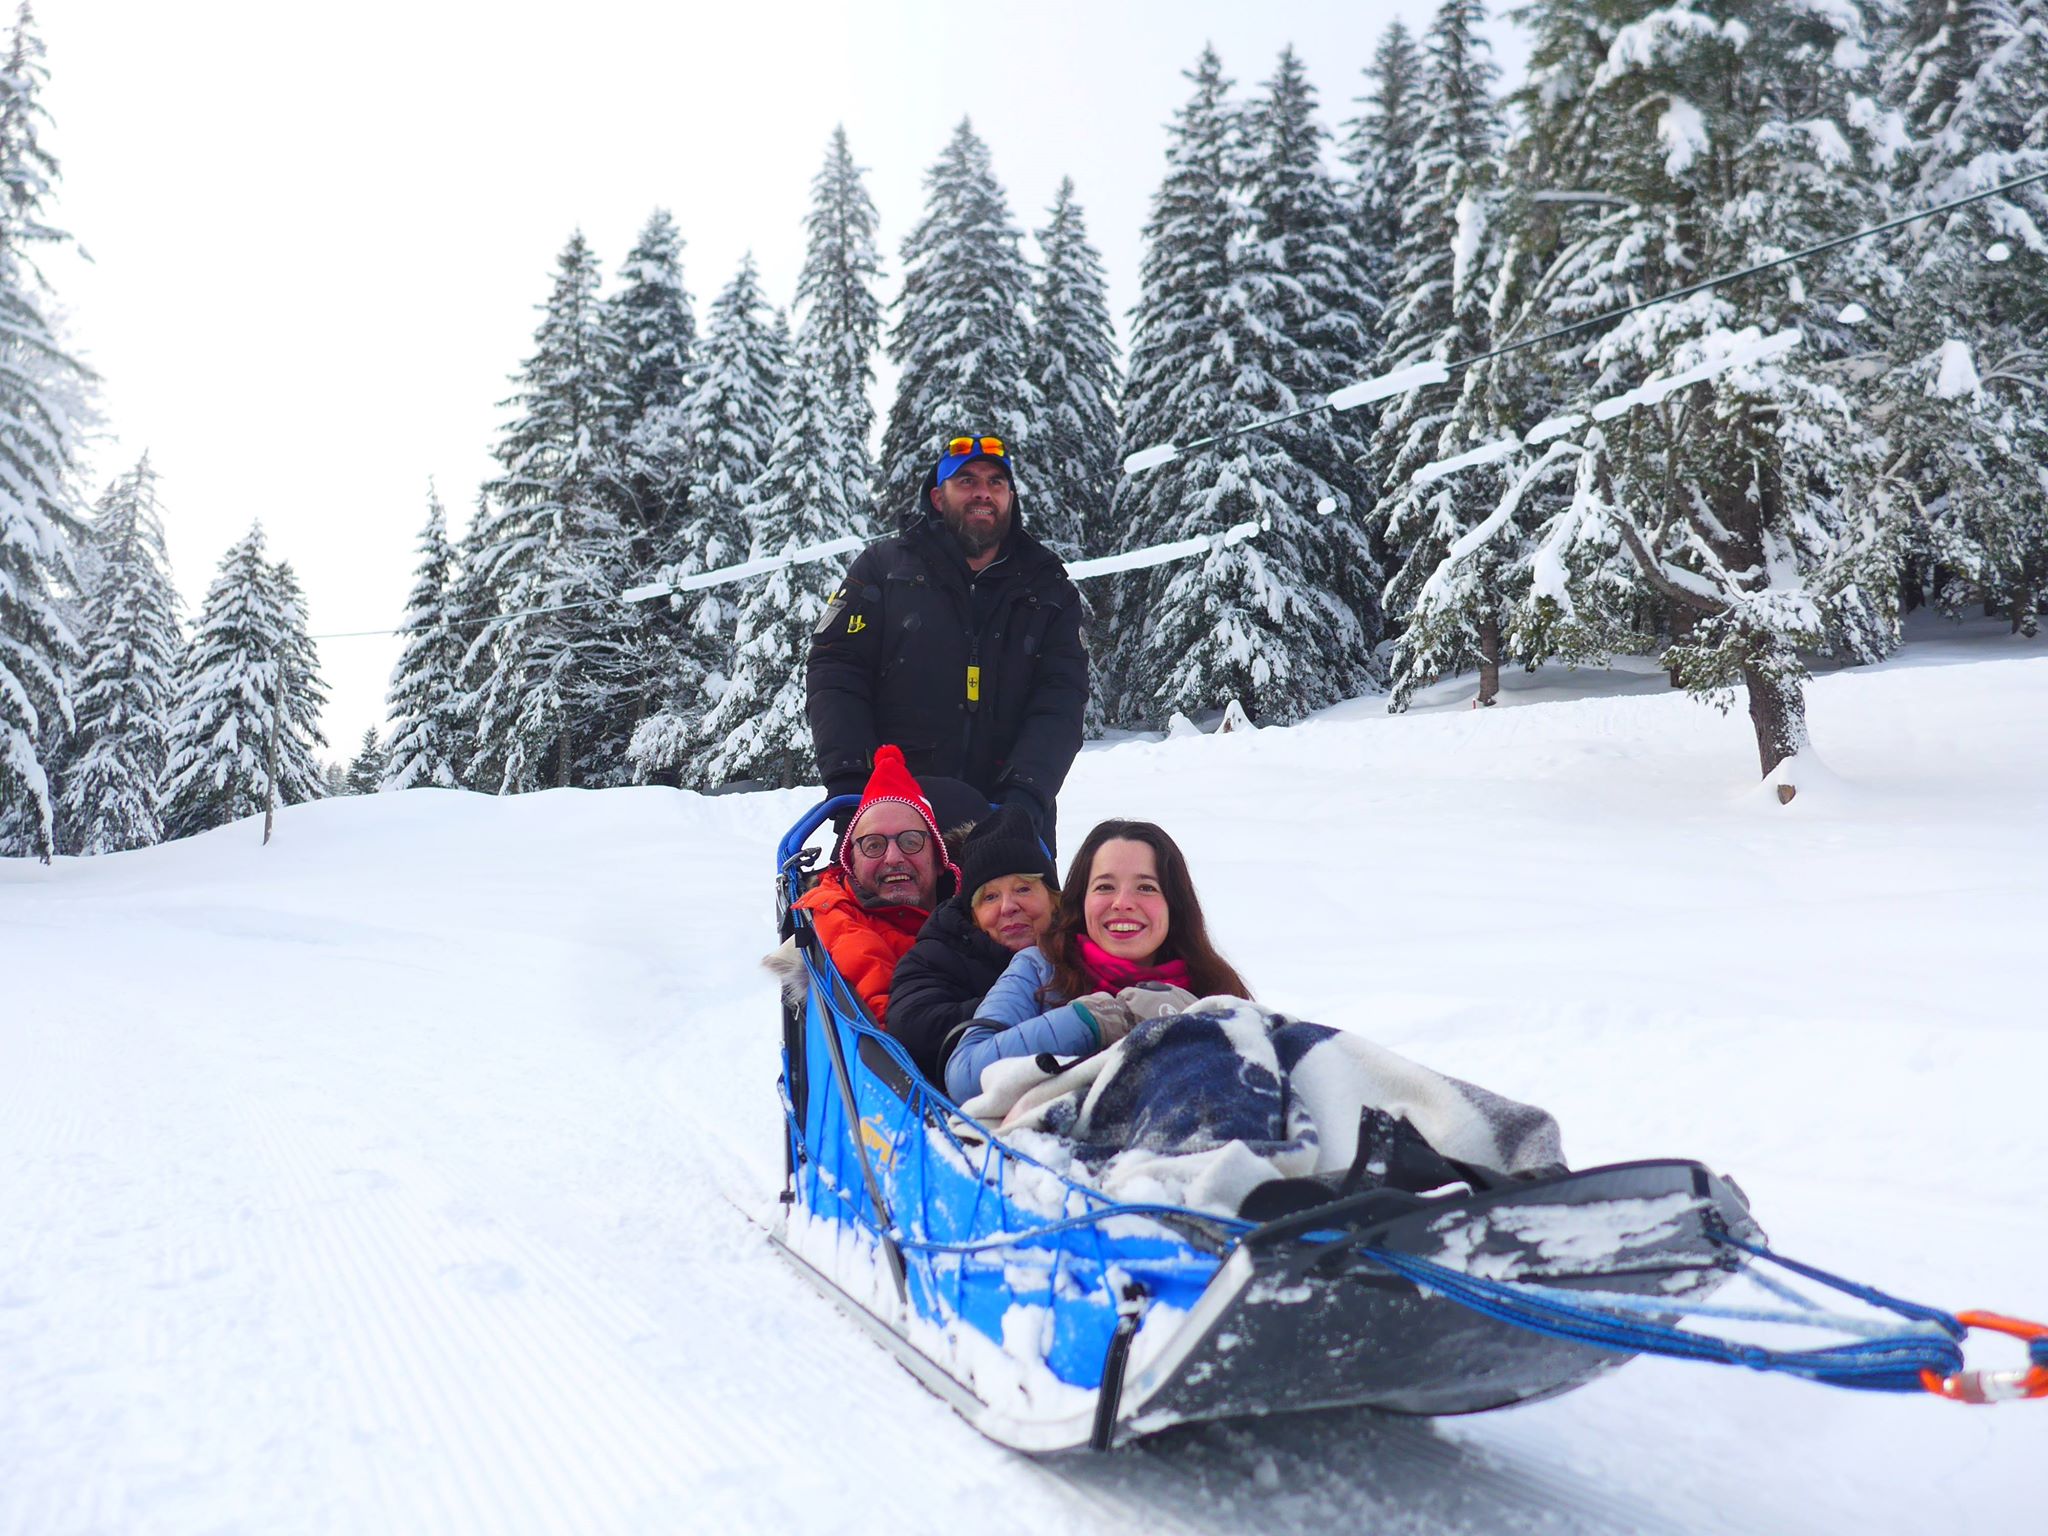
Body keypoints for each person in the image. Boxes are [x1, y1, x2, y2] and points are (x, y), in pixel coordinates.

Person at [806, 433, 1088, 853]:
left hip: (1011, 822)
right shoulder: (882, 570)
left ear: (1010, 497)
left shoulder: (1048, 586)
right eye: (967, 481)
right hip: (890, 820)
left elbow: (1061, 700)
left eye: (996, 483)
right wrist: (850, 783)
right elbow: (836, 673)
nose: (983, 493)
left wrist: (1026, 794)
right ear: (938, 498)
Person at [942, 820, 1252, 1103]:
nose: (1122, 903)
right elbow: (965, 1074)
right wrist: (1103, 1019)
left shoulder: (1214, 988)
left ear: (1174, 905)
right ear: (1081, 900)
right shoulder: (1038, 967)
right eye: (1105, 887)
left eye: (1146, 887)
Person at [889, 806, 1060, 1087]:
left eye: (1023, 889)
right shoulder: (937, 953)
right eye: (990, 897)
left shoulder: (1083, 939)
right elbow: (913, 1026)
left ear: (1053, 898)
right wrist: (1019, 1002)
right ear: (973, 913)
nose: (1008, 907)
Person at [789, 745, 962, 1025]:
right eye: (873, 845)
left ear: (939, 857)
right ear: (852, 864)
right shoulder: (840, 920)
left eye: (911, 841)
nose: (893, 858)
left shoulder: (982, 910)